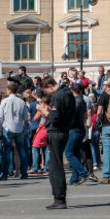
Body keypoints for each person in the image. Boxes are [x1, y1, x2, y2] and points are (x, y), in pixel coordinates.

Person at [40, 77, 75, 209]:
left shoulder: (58, 95)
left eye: (46, 91)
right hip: (64, 130)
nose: (47, 94)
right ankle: (59, 197)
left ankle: (59, 198)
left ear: (49, 86)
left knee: (55, 166)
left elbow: (54, 117)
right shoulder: (68, 93)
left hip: (56, 132)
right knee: (56, 164)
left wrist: (44, 111)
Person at [0, 82, 29, 180]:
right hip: (19, 127)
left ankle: (4, 174)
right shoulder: (21, 102)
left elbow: (0, 116)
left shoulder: (5, 101)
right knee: (21, 150)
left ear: (9, 90)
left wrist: (1, 125)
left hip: (8, 127)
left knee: (6, 151)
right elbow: (25, 117)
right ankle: (24, 172)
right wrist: (23, 127)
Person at [65, 82, 90, 185]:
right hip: (80, 128)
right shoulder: (83, 100)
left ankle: (83, 172)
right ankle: (74, 178)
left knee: (69, 153)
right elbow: (85, 115)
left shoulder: (75, 101)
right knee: (76, 153)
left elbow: (70, 116)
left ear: (72, 90)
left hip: (74, 129)